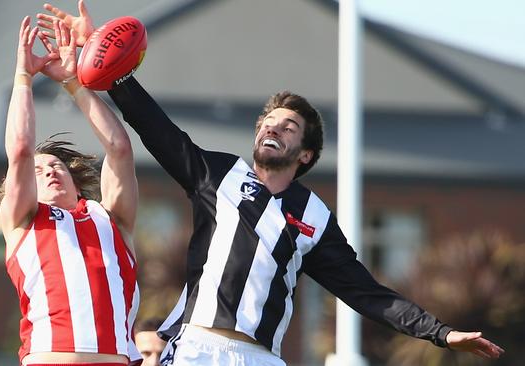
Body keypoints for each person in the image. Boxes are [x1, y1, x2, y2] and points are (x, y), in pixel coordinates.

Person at [37, 2, 505, 365]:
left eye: (287, 126)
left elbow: (367, 293)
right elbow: (155, 128)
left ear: (305, 155)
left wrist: (439, 333)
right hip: (197, 347)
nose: (272, 128)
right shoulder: (218, 175)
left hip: (262, 356)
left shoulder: (316, 218)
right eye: (268, 122)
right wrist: (105, 67)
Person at [0, 16, 141, 366]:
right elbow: (19, 148)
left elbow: (119, 147)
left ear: (76, 181)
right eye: (38, 170)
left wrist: (75, 83)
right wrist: (23, 79)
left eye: (56, 166)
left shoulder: (108, 218)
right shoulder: (24, 220)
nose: (48, 170)